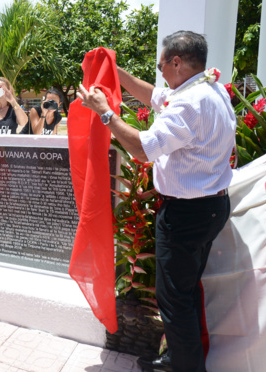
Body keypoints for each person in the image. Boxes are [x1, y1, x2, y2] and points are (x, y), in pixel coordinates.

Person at [77, 31, 235, 372]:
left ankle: (186, 367)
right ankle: (179, 357)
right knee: (186, 291)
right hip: (208, 207)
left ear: (176, 61)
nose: (160, 70)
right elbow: (154, 95)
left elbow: (141, 148)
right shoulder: (207, 88)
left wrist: (106, 113)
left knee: (174, 300)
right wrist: (113, 71)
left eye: (161, 63)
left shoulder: (189, 104)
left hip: (186, 214)